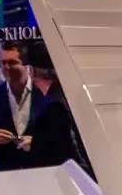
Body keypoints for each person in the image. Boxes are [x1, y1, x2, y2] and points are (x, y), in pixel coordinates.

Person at [19, 41, 91, 174]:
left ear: (32, 71)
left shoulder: (54, 108)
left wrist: (34, 146)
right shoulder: (71, 96)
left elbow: (64, 155)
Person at [0, 40, 42, 171]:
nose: (6, 67)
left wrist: (37, 142)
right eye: (3, 63)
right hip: (5, 174)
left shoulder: (43, 93)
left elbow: (61, 137)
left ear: (26, 64)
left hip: (41, 171)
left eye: (12, 62)